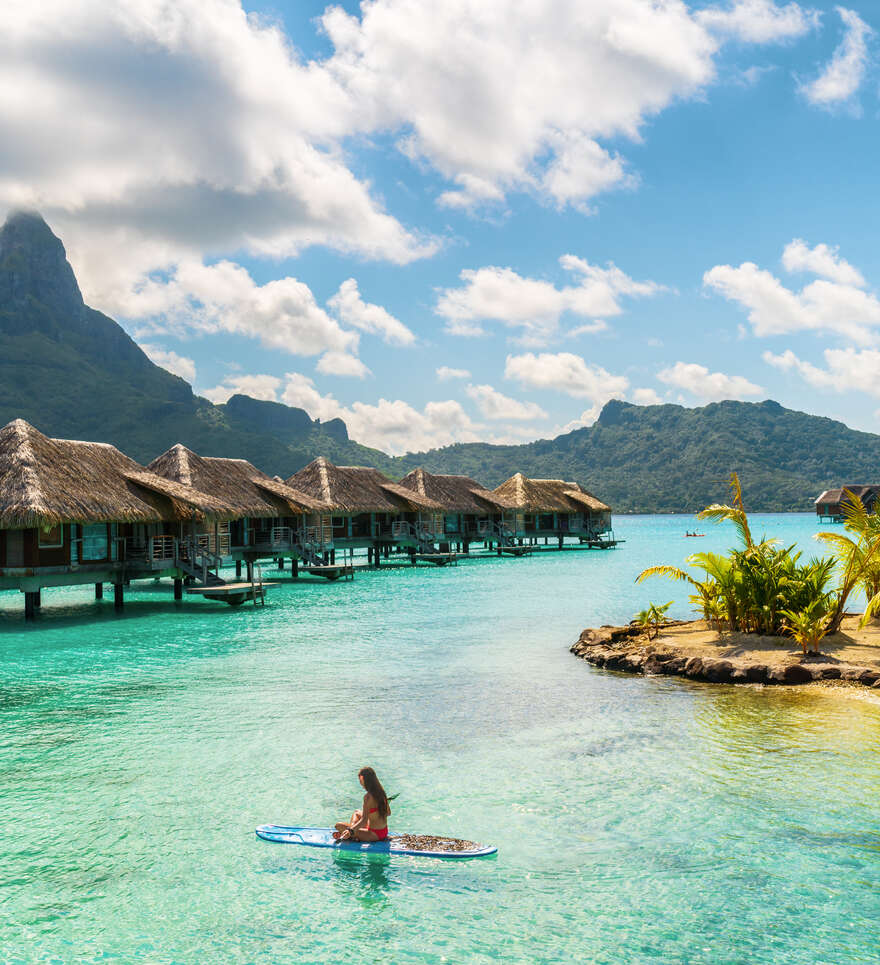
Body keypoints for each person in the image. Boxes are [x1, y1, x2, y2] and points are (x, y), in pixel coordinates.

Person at [333, 767, 390, 842]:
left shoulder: (368, 797)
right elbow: (388, 813)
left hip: (374, 835)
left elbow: (364, 821)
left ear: (362, 778)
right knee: (356, 812)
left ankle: (351, 835)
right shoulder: (381, 792)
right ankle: (353, 834)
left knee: (338, 825)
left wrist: (350, 830)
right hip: (384, 831)